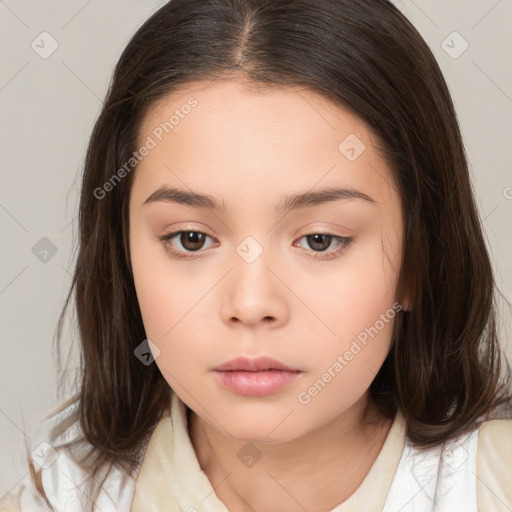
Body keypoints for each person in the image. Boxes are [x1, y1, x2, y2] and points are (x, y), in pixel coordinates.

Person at [2, 0, 512, 511]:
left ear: (418, 261)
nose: (250, 303)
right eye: (191, 239)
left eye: (319, 240)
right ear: (123, 253)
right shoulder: (61, 496)